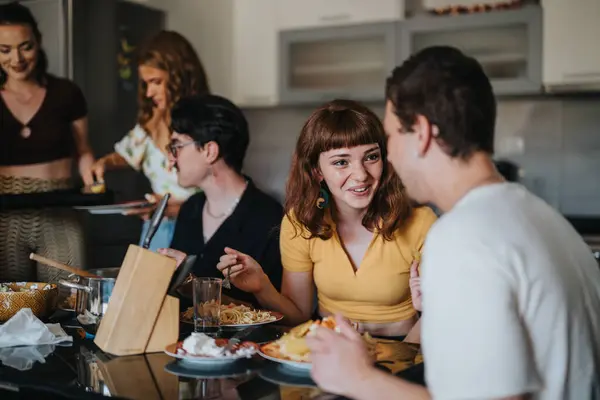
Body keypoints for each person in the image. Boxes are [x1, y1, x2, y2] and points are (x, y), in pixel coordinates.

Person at [306, 46, 600, 400]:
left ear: (423, 134)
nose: (390, 157)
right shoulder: (545, 218)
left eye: (391, 138)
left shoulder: (462, 236)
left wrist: (359, 379)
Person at [216, 99, 437, 338]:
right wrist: (262, 287)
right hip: (330, 345)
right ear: (316, 171)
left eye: (371, 157)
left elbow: (438, 313)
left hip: (403, 349)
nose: (361, 175)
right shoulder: (300, 222)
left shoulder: (420, 222)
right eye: (341, 162)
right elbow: (298, 316)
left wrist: (399, 360)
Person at [158, 94, 283, 306]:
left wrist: (194, 287)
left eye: (177, 146)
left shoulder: (268, 217)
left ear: (209, 151)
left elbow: (274, 312)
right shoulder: (191, 209)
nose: (171, 158)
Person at [0, 2, 94, 281]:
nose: (16, 58)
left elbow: (84, 151)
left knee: (67, 298)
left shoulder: (66, 93)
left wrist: (92, 180)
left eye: (25, 46)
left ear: (38, 42)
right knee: (10, 307)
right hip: (5, 213)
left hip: (60, 207)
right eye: (4, 50)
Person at [91, 30, 210, 251]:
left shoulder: (206, 121)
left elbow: (221, 187)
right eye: (145, 84)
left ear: (179, 77)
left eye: (156, 82)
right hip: (157, 230)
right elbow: (128, 153)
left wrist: (177, 208)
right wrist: (104, 163)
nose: (148, 93)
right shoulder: (151, 121)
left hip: (197, 227)